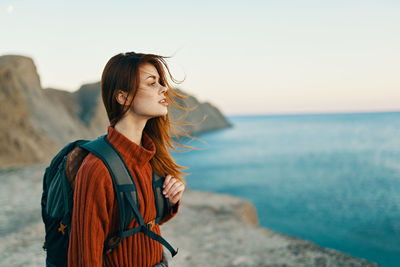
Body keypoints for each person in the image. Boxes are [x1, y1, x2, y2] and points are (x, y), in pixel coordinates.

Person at [67, 52, 191, 267]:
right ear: (123, 97)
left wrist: (170, 200)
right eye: (152, 83)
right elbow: (83, 258)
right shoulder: (97, 169)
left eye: (160, 82)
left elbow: (141, 224)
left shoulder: (149, 155)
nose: (164, 89)